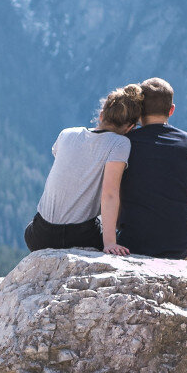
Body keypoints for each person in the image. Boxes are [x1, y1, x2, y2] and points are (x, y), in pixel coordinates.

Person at [24, 84, 143, 255]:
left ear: (101, 115)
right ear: (130, 128)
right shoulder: (120, 144)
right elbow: (109, 193)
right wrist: (110, 242)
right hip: (80, 236)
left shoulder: (66, 134)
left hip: (39, 235)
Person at [116, 77, 187, 259]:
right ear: (171, 110)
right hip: (181, 247)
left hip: (134, 244)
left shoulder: (123, 144)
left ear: (139, 110)